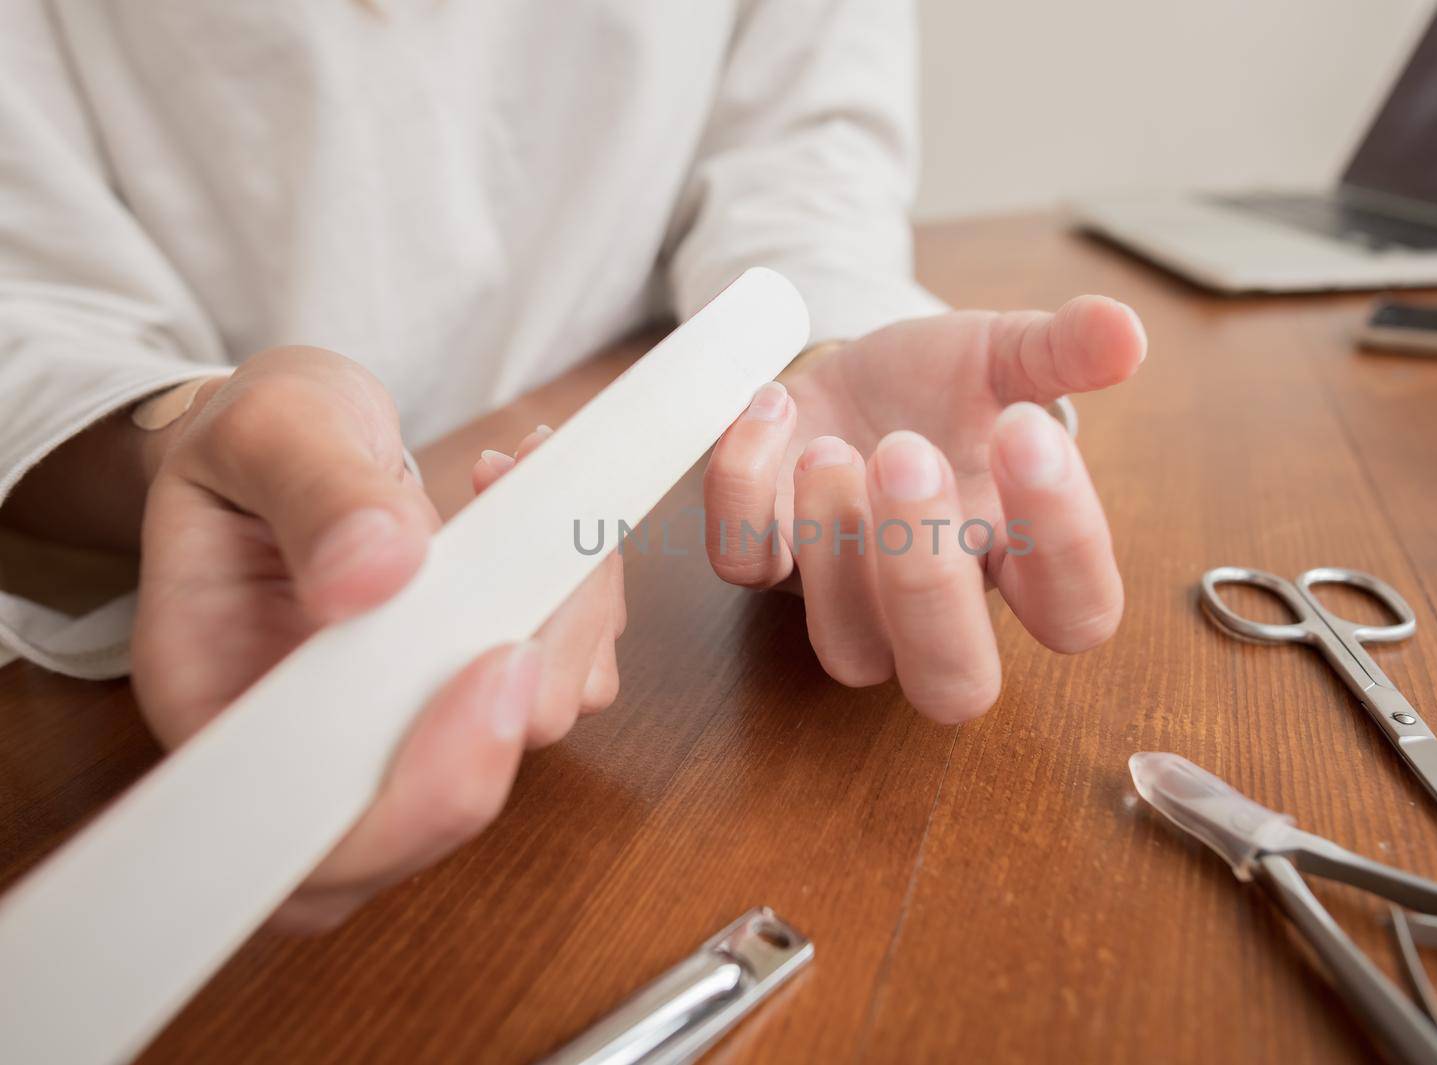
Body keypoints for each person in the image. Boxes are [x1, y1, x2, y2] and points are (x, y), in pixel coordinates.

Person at [0, 2, 1144, 930]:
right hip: (180, 619)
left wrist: (824, 354)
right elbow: (29, 314)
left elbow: (807, 171)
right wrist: (185, 436)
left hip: (616, 531)